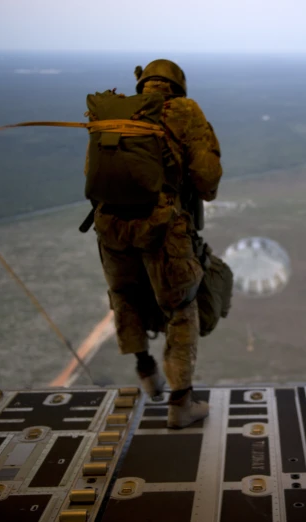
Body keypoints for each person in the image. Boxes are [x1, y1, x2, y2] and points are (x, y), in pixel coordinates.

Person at [91, 59, 222, 428]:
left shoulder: (114, 113)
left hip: (111, 228)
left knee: (125, 296)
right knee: (181, 306)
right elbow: (207, 180)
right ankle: (181, 405)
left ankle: (146, 370)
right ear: (177, 86)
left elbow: (92, 175)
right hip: (162, 227)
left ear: (143, 85)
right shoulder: (184, 110)